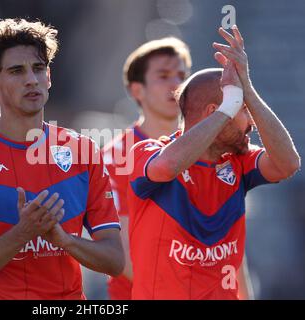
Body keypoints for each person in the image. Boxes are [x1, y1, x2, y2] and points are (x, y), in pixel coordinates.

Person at [0, 18, 124, 300]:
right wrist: (23, 233)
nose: (31, 80)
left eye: (38, 69)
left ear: (49, 77)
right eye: (16, 71)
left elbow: (115, 261)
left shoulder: (83, 150)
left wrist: (64, 240)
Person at [127, 25, 300, 299]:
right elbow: (166, 168)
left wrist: (249, 92)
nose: (251, 121)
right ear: (216, 112)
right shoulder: (147, 151)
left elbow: (288, 163)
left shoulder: (238, 162)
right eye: (242, 109)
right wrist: (227, 108)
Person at [102, 37, 191, 300]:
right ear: (136, 90)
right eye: (163, 76)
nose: (176, 84)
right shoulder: (116, 157)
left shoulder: (206, 146)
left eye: (182, 75)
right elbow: (122, 252)